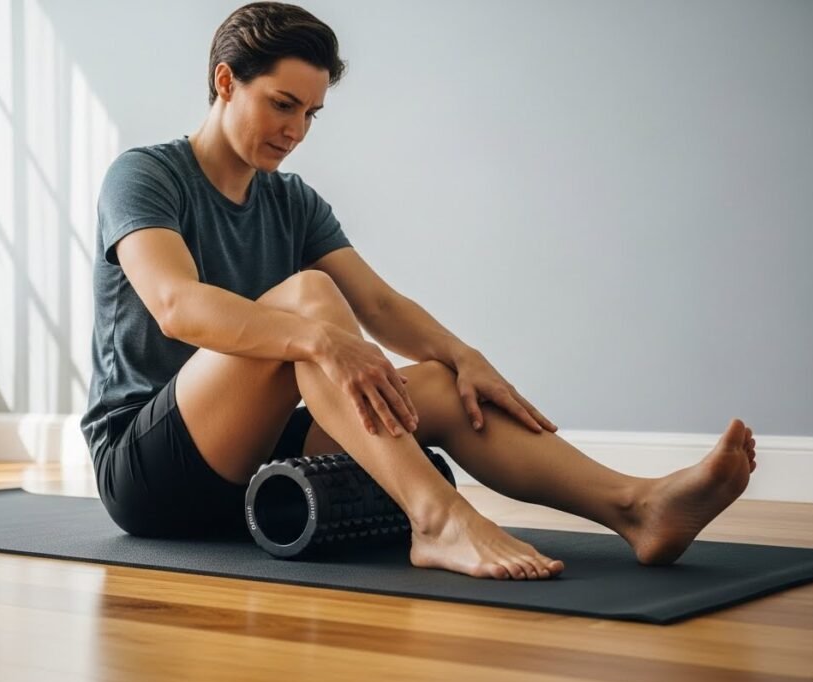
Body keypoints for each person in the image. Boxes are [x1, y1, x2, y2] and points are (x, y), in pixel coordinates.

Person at [80, 1, 758, 580]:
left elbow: (379, 306)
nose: (295, 130)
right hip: (148, 470)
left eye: (311, 113)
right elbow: (176, 305)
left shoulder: (291, 201)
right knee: (310, 298)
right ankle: (436, 519)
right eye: (282, 104)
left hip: (256, 458)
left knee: (438, 383)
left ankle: (635, 508)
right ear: (226, 81)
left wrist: (467, 358)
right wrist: (320, 340)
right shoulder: (145, 176)